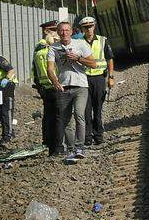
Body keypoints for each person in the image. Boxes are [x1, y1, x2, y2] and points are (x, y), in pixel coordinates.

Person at [46, 21, 96, 160]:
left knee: (79, 114)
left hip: (80, 85)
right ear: (58, 32)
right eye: (61, 31)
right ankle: (71, 148)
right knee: (65, 119)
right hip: (63, 86)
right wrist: (55, 82)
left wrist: (78, 58)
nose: (64, 33)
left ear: (71, 32)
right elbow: (50, 68)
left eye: (67, 30)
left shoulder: (80, 44)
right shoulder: (53, 48)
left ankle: (80, 147)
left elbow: (93, 63)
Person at [79, 16, 115, 145]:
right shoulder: (78, 42)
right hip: (83, 80)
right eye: (85, 27)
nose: (88, 29)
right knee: (86, 110)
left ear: (94, 26)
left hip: (99, 78)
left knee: (98, 109)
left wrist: (111, 77)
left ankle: (98, 136)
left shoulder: (102, 40)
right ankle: (87, 137)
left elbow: (110, 59)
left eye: (90, 26)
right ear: (82, 28)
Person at [32, 21, 60, 153]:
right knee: (56, 117)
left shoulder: (38, 48)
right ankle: (56, 146)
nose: (57, 32)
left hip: (44, 87)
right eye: (54, 30)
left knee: (49, 116)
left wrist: (39, 86)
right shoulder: (49, 49)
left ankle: (48, 142)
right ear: (47, 31)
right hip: (54, 86)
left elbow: (34, 70)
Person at [0, 55, 17, 142]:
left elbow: (11, 70)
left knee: (6, 111)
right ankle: (9, 132)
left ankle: (8, 135)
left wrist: (5, 81)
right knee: (1, 111)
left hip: (7, 86)